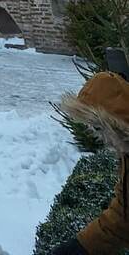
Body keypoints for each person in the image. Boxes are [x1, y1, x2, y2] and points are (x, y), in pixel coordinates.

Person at [46, 71, 129, 254]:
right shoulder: (126, 153)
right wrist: (81, 246)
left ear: (116, 123)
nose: (101, 138)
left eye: (98, 128)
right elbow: (123, 217)